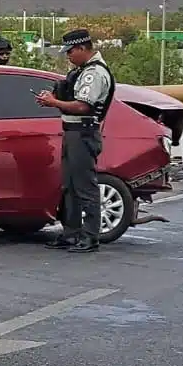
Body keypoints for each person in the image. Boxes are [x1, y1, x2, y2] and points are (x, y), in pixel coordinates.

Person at [35, 27, 116, 252]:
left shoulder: (95, 73)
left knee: (85, 186)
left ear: (82, 48)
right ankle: (71, 233)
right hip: (73, 132)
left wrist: (54, 103)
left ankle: (90, 236)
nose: (68, 56)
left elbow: (83, 106)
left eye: (70, 51)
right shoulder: (81, 71)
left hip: (83, 133)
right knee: (69, 185)